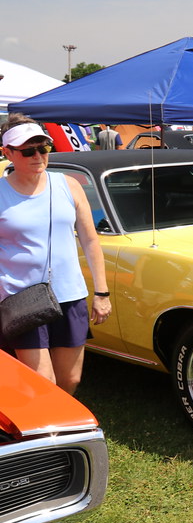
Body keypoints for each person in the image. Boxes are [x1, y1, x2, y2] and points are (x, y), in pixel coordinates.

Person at [0, 114, 111, 394]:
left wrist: (102, 293)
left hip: (69, 295)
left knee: (69, 380)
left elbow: (90, 240)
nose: (38, 156)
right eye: (28, 151)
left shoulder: (69, 185)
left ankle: (55, 421)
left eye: (43, 148)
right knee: (43, 383)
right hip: (20, 298)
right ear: (7, 153)